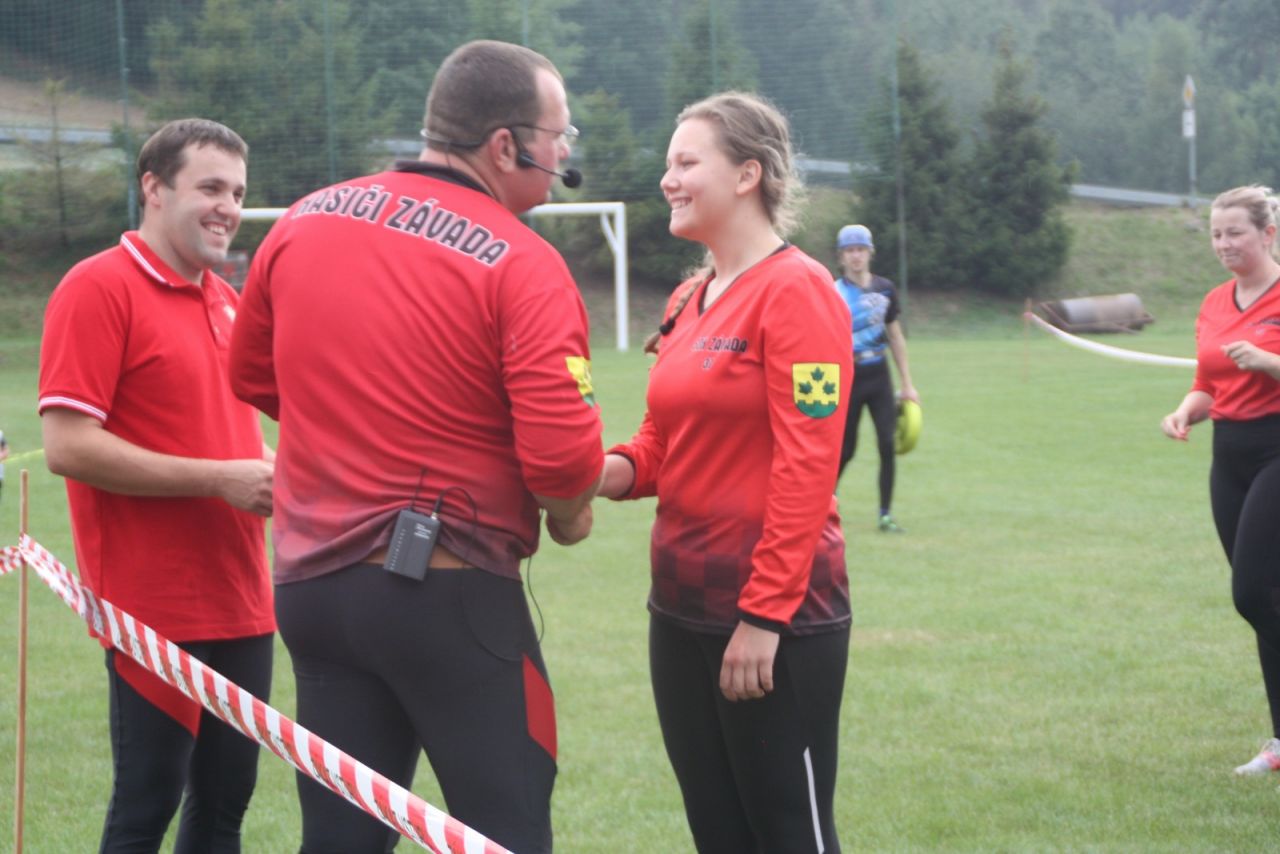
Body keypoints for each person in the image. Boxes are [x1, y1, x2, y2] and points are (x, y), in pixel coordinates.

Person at [228, 40, 603, 854]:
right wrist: (572, 514)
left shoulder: (301, 220)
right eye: (558, 134)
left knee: (339, 838)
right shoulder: (523, 259)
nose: (564, 152)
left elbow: (252, 374)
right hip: (446, 592)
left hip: (313, 589)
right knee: (507, 824)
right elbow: (562, 464)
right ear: (505, 145)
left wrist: (361, 434)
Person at [597, 92, 853, 853]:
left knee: (789, 834)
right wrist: (593, 471)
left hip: (774, 619)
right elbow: (662, 444)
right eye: (667, 163)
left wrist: (764, 617)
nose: (667, 179)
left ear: (748, 175)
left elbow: (810, 464)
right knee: (717, 833)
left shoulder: (799, 289)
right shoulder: (688, 296)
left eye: (686, 162)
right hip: (678, 608)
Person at [38, 118, 275, 853]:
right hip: (152, 606)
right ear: (154, 187)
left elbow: (223, 434)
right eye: (211, 188)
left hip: (244, 597)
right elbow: (68, 445)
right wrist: (221, 481)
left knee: (226, 807)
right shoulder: (97, 287)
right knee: (147, 806)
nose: (228, 208)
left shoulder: (226, 300)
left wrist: (280, 470)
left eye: (238, 193)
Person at [1161, 184, 1280, 777]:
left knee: (1252, 593)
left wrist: (1269, 362)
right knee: (1267, 601)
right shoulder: (1213, 302)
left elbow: (1259, 369)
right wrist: (1186, 409)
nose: (1224, 243)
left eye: (1235, 232)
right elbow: (1208, 383)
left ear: (1268, 233)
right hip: (1228, 454)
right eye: (1216, 234)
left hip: (1277, 448)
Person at [833, 223, 920, 533]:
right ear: (842, 256)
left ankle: (885, 514)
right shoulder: (834, 292)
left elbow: (895, 336)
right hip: (849, 376)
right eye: (849, 251)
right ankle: (824, 503)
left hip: (879, 374)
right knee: (846, 449)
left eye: (860, 250)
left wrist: (907, 384)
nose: (856, 256)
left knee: (886, 442)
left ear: (870, 253)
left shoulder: (885, 289)